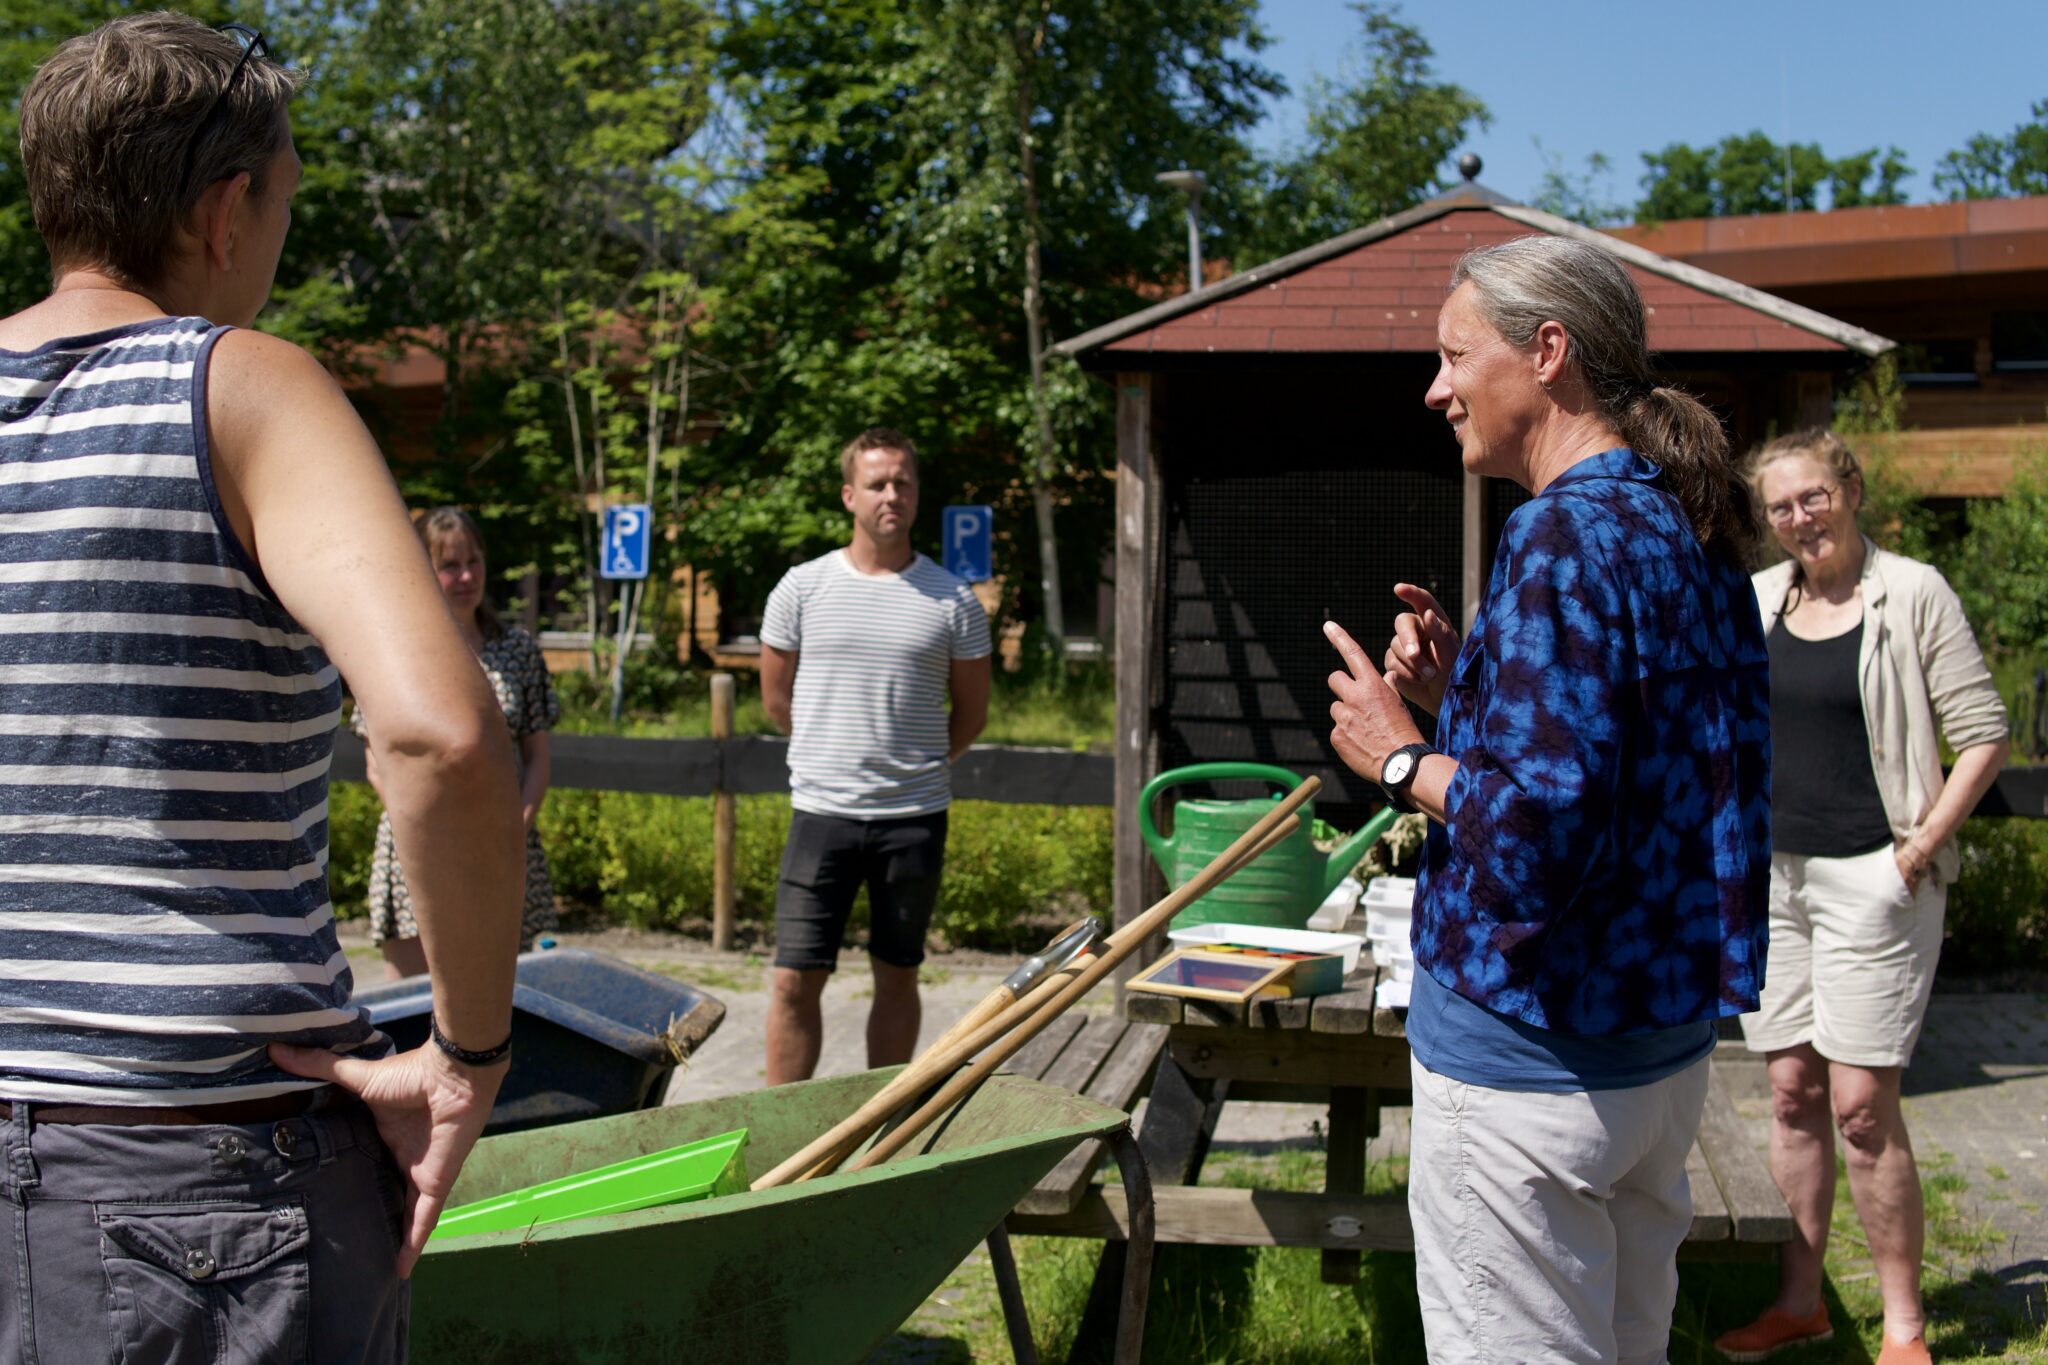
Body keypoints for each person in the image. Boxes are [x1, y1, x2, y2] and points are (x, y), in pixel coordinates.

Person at [0, 15, 525, 1361]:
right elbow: (437, 734)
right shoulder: (243, 388)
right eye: (286, 200)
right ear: (226, 208)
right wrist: (469, 1051)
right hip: (203, 1198)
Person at [1322, 233, 1771, 1363]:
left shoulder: (1559, 535)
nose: (1434, 389)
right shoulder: (1686, 522)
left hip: (1531, 1073)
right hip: (1655, 1062)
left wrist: (1394, 754)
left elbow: (1536, 830)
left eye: (1452, 355)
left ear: (1548, 352)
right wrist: (1474, 680)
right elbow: (1628, 755)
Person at [1712, 432, 2007, 1365]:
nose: (1800, 518)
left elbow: (1985, 734)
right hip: (1777, 880)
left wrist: (1917, 849)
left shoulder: (1912, 592)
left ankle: (1905, 1325)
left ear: (1851, 490)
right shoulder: (1758, 601)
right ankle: (1800, 1303)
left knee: (1861, 1105)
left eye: (1813, 497)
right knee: (1792, 1092)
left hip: (1875, 881)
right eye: (1781, 507)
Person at [758, 428, 992, 1086]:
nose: (892, 494)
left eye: (903, 482)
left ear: (916, 494)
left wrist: (910, 763)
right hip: (821, 815)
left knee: (898, 974)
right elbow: (778, 702)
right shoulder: (800, 589)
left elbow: (971, 713)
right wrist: (833, 755)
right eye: (878, 483)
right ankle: (785, 1137)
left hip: (913, 818)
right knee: (791, 981)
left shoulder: (954, 600)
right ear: (848, 495)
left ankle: (876, 1136)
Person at [357, 507, 561, 978]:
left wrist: (515, 825)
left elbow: (537, 757)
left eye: (474, 561)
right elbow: (376, 764)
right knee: (412, 1006)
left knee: (500, 1004)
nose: (467, 575)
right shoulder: (392, 651)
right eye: (450, 565)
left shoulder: (517, 651)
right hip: (421, 847)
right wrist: (436, 832)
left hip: (504, 845)